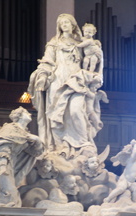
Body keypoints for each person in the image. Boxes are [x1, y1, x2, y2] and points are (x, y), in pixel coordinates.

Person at [28, 14, 104, 158]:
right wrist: (42, 77)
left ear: (73, 25)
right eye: (61, 23)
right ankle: (60, 148)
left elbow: (93, 57)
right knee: (56, 116)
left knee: (76, 110)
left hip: (76, 79)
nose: (64, 24)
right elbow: (47, 61)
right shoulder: (54, 43)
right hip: (57, 81)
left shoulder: (80, 42)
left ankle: (83, 144)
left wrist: (97, 55)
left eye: (66, 22)